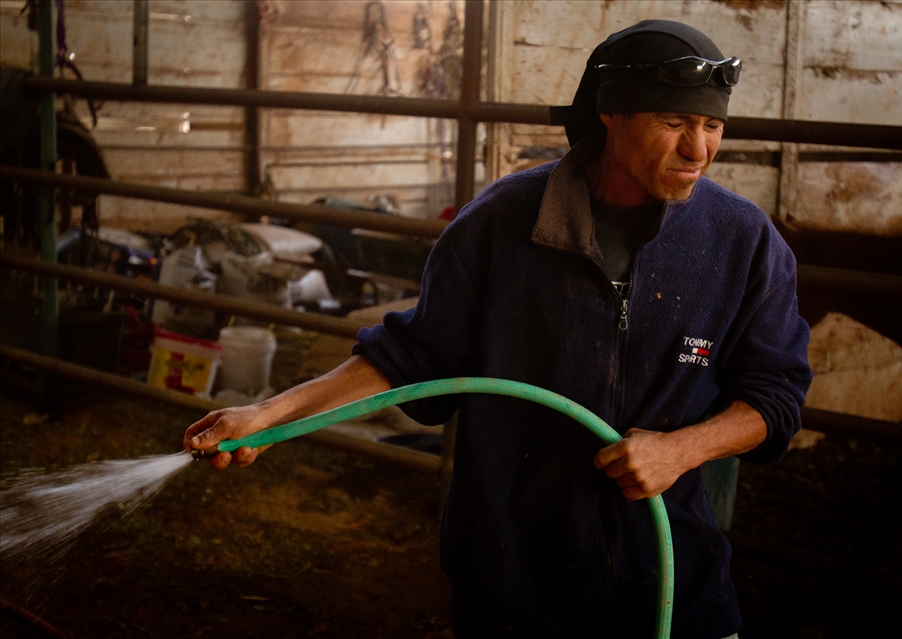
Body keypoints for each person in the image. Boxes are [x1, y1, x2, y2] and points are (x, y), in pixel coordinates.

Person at [185, 19, 812, 639]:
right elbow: (410, 359)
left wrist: (683, 449)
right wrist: (270, 415)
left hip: (675, 587)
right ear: (610, 114)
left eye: (712, 127)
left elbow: (775, 396)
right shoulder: (504, 223)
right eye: (674, 124)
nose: (698, 149)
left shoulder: (742, 242)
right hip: (518, 587)